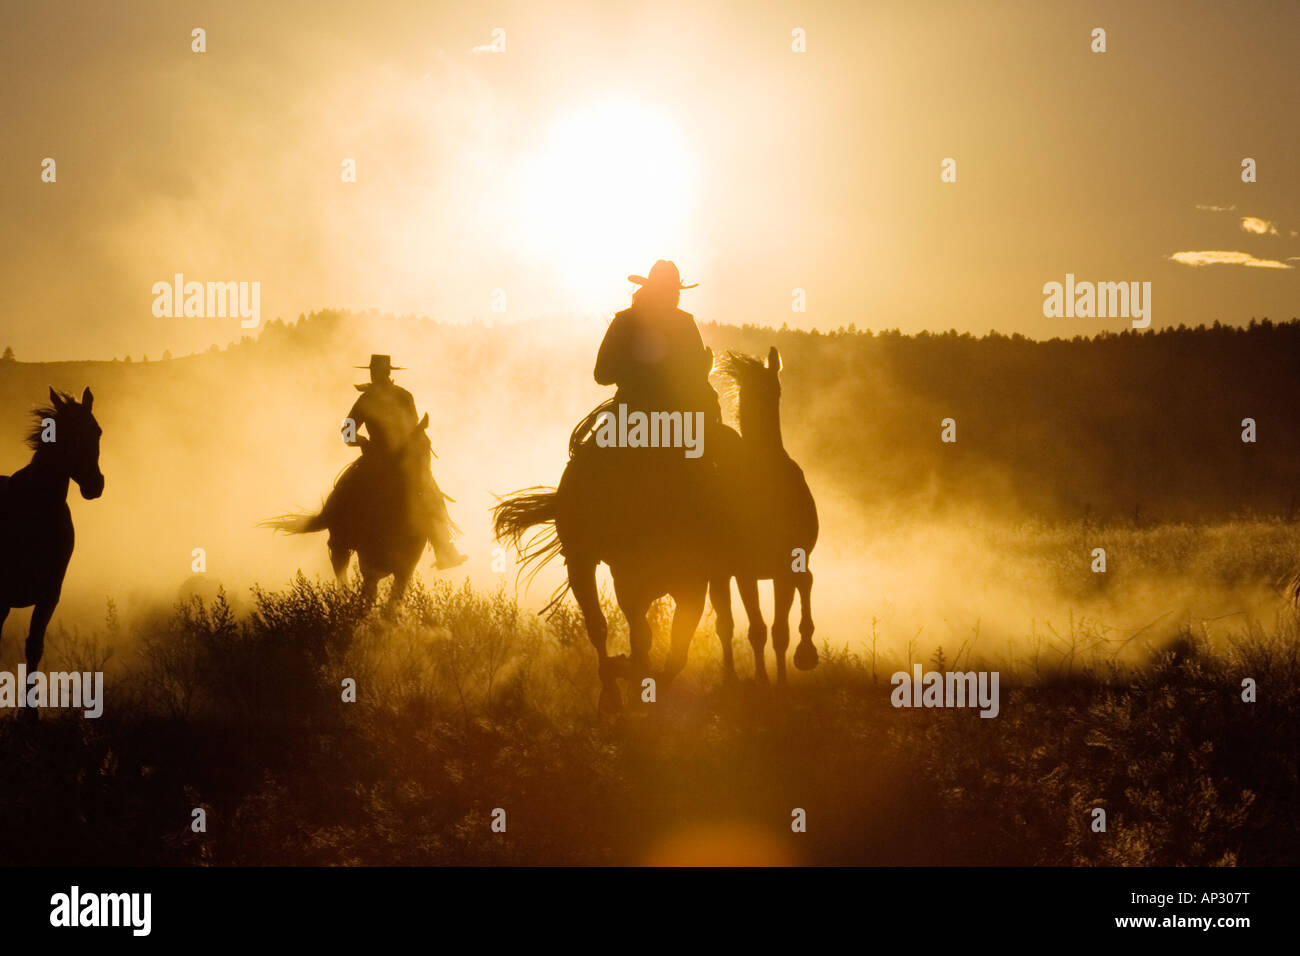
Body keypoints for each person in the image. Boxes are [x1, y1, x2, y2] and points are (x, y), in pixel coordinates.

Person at [343, 354, 467, 570]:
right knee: (432, 498)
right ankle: (445, 550)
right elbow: (411, 430)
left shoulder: (371, 399)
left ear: (384, 373)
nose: (375, 374)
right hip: (395, 460)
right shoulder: (400, 397)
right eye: (374, 371)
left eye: (377, 371)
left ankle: (340, 535)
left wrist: (360, 441)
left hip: (379, 459)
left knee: (347, 491)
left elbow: (347, 430)